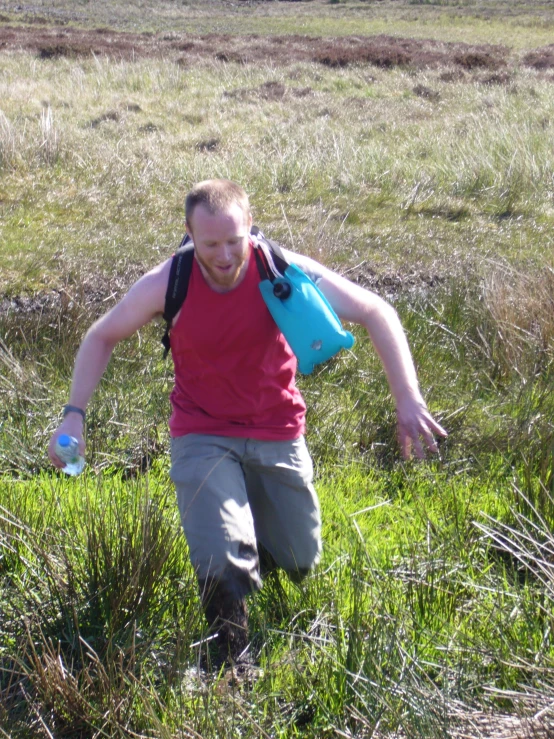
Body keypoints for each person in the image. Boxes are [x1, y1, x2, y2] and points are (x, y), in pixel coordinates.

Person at [48, 179, 447, 669]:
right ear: (190, 234)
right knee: (220, 554)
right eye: (209, 243)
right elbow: (102, 335)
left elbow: (374, 310)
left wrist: (407, 398)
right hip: (201, 431)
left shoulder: (278, 266)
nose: (222, 255)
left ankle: (257, 544)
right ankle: (232, 661)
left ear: (249, 227)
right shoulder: (168, 281)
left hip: (277, 429)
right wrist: (75, 414)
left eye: (233, 241)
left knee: (301, 559)